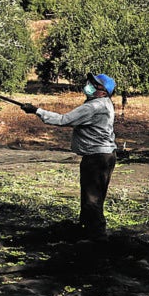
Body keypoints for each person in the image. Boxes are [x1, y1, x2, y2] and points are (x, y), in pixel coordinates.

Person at [21, 73, 117, 240]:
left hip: (96, 157)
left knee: (91, 199)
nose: (89, 85)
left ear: (103, 92)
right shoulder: (105, 103)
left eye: (94, 84)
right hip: (106, 156)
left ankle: (97, 237)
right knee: (94, 196)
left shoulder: (92, 107)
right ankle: (87, 230)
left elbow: (63, 120)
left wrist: (36, 111)